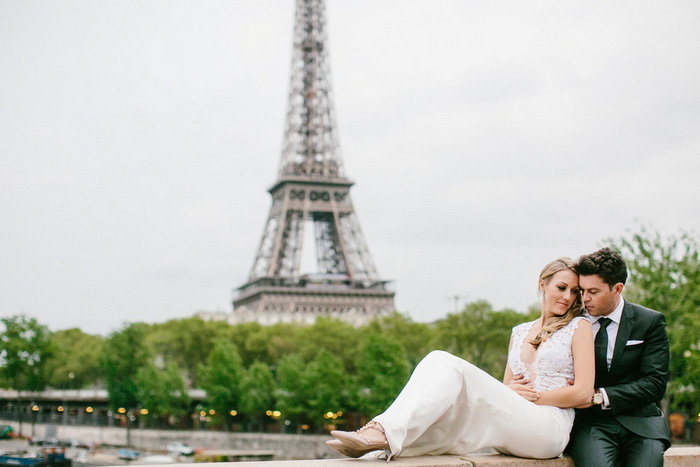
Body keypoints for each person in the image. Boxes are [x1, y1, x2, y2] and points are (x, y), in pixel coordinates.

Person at [327, 257, 595, 461]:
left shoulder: (578, 327)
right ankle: (377, 447)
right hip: (518, 424)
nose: (568, 297)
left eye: (574, 292)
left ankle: (381, 430)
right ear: (542, 285)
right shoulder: (520, 331)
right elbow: (503, 392)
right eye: (562, 288)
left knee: (444, 361)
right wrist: (511, 394)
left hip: (549, 428)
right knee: (453, 408)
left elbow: (583, 394)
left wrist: (531, 397)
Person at [567, 247, 671, 467]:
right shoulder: (571, 323)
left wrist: (599, 396)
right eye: (582, 290)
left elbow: (654, 384)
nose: (585, 299)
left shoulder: (650, 322)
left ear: (618, 288)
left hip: (642, 424)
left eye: (593, 292)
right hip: (591, 425)